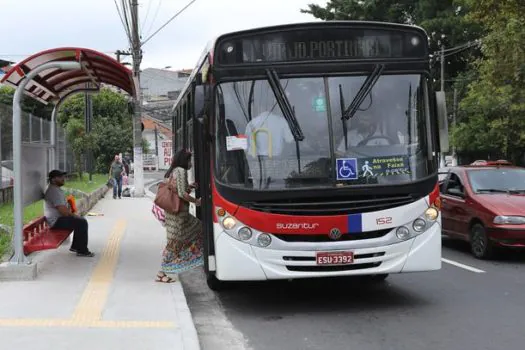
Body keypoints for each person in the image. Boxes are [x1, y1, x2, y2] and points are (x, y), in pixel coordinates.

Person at [156, 149, 203, 283]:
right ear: (185, 161)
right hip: (179, 214)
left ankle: (189, 260)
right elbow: (182, 194)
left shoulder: (174, 171)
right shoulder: (181, 171)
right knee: (174, 243)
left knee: (178, 239)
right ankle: (162, 272)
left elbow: (177, 189)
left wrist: (190, 186)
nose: (191, 164)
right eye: (189, 160)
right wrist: (196, 202)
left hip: (173, 212)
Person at [44, 170, 95, 257]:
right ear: (53, 179)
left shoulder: (55, 189)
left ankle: (76, 247)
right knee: (81, 222)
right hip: (56, 221)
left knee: (79, 221)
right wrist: (74, 215)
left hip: (57, 219)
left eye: (63, 176)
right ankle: (82, 251)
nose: (63, 178)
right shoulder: (54, 192)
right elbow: (63, 211)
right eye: (60, 177)